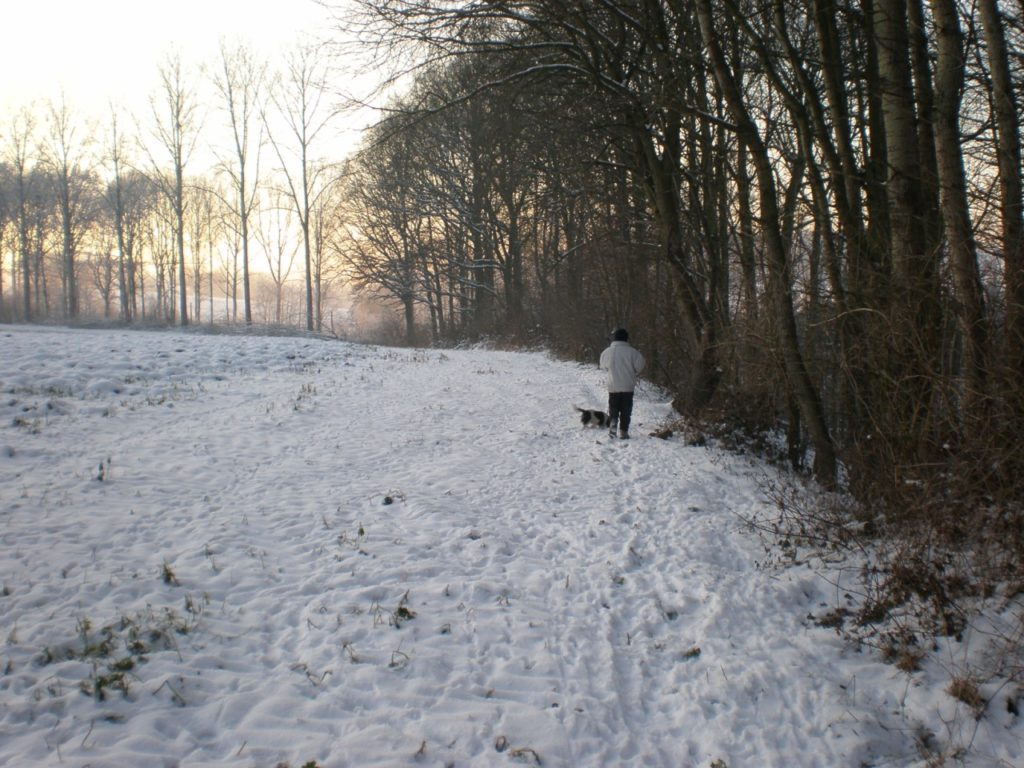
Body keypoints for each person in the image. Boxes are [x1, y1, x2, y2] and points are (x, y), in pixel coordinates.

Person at [599, 328, 645, 439]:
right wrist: (633, 372)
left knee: (613, 409)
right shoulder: (634, 352)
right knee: (626, 410)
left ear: (614, 338)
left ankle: (613, 430)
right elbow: (640, 365)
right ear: (626, 338)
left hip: (613, 386)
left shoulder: (607, 352)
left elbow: (603, 366)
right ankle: (624, 431)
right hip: (628, 386)